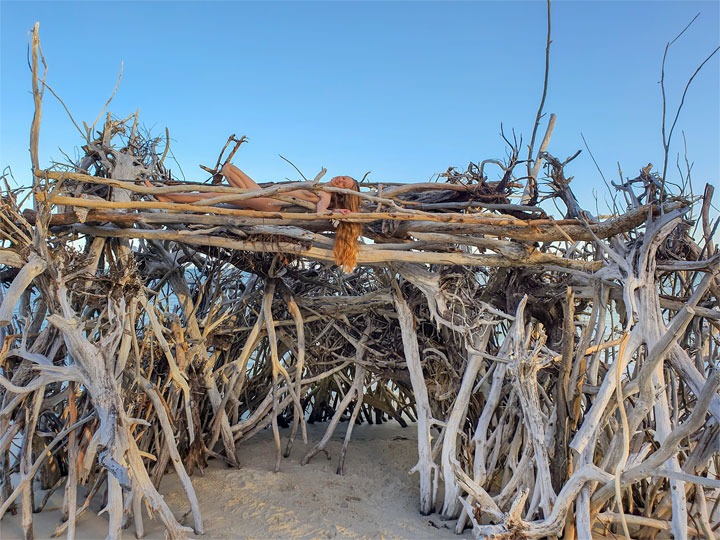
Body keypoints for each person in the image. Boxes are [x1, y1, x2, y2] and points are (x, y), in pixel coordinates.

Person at [147, 163, 363, 273]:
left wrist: (334, 213)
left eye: (344, 183)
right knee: (226, 176)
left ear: (343, 193)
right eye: (343, 177)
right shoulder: (323, 189)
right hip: (264, 197)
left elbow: (320, 212)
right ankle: (170, 197)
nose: (340, 179)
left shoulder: (325, 193)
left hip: (267, 202)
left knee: (218, 191)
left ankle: (167, 197)